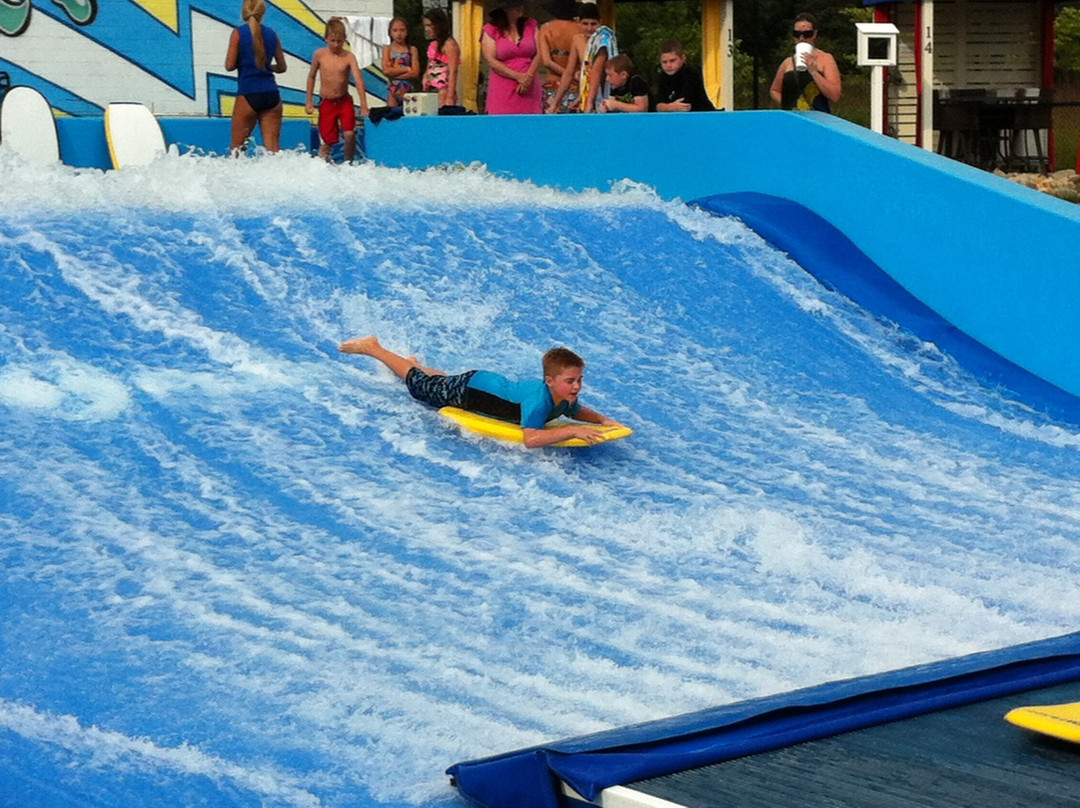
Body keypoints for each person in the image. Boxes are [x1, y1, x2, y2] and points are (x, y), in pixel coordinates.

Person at [338, 336, 624, 448]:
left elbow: (579, 411)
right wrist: (572, 432)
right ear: (550, 381)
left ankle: (418, 365)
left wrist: (604, 421)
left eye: (579, 380)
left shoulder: (565, 398)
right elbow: (531, 439)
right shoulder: (539, 401)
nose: (576, 387)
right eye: (570, 381)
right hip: (469, 390)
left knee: (439, 381)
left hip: (484, 383)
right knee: (420, 386)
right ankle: (374, 348)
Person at [225, 0, 287, 154]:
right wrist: (266, 67)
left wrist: (248, 64)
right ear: (262, 13)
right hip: (272, 94)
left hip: (248, 93)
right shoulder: (272, 34)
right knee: (274, 151)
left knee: (237, 151)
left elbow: (229, 65)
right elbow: (282, 67)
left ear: (244, 12)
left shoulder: (238, 33)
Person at [305, 18, 369, 163]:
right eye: (332, 40)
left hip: (344, 101)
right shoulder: (320, 54)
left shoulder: (348, 57)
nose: (336, 44)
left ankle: (349, 162)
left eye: (339, 41)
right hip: (327, 102)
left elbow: (359, 80)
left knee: (349, 134)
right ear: (326, 38)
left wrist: (364, 104)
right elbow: (311, 77)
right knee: (327, 141)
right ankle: (323, 164)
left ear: (344, 40)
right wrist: (309, 100)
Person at [545, 4, 614, 114]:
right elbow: (568, 72)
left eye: (593, 24)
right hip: (586, 92)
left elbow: (596, 72)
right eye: (585, 24)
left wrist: (589, 103)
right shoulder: (577, 40)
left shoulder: (603, 40)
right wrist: (555, 103)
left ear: (600, 22)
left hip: (604, 93)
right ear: (579, 22)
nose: (589, 28)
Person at [769, 12, 841, 113]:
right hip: (794, 119)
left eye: (807, 34)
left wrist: (814, 72)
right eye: (797, 34)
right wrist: (788, 105)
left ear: (815, 34)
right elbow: (775, 90)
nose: (802, 38)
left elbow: (835, 95)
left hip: (819, 119)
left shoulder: (826, 59)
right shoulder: (787, 63)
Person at [481, 0, 542, 114]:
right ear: (505, 9)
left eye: (520, 5)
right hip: (503, 85)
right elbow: (491, 60)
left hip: (530, 84)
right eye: (515, 6)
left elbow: (540, 53)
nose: (520, 8)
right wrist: (518, 76)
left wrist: (528, 77)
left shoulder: (531, 25)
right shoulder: (491, 29)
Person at [537, 0, 580, 114]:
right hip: (576, 85)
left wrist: (565, 73)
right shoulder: (580, 29)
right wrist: (572, 76)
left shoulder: (546, 28)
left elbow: (547, 61)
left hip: (553, 85)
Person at [653, 40, 716, 112]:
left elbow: (684, 106)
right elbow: (655, 105)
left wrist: (665, 106)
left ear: (683, 58)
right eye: (664, 62)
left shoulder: (691, 74)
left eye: (672, 61)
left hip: (702, 116)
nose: (668, 65)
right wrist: (670, 107)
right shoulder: (662, 77)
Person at [422, 7, 461, 107]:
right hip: (432, 88)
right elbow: (430, 64)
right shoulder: (434, 44)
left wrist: (450, 95)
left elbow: (453, 71)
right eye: (426, 26)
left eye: (430, 25)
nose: (427, 29)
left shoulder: (449, 45)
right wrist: (425, 76)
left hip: (444, 90)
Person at [381, 17, 420, 107]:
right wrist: (406, 69)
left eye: (402, 30)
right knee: (392, 114)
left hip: (408, 90)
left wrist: (394, 73)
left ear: (407, 32)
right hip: (393, 90)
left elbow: (415, 73)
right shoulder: (387, 49)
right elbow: (386, 71)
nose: (399, 34)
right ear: (390, 33)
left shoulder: (412, 50)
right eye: (395, 30)